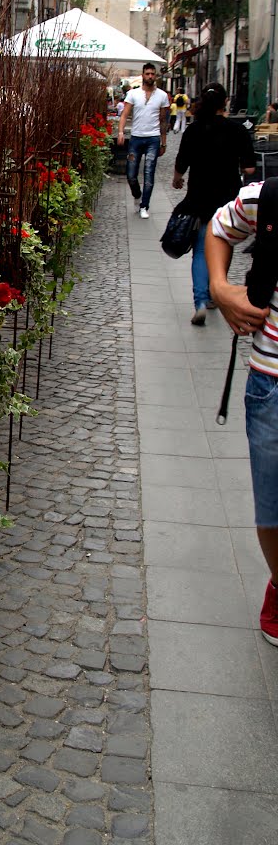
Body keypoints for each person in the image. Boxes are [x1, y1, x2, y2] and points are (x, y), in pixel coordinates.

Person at [206, 186, 278, 645]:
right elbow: (218, 228)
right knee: (272, 508)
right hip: (273, 378)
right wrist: (219, 287)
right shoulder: (268, 198)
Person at [172, 83, 256, 325]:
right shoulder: (237, 130)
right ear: (225, 102)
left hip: (199, 197)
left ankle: (200, 300)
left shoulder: (194, 129)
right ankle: (213, 293)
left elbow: (181, 164)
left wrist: (177, 180)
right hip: (227, 199)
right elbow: (250, 167)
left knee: (200, 249)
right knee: (222, 245)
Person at [117, 62, 170, 218]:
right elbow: (125, 114)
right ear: (143, 75)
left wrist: (163, 141)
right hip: (136, 138)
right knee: (131, 174)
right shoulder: (133, 94)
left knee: (149, 174)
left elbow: (163, 120)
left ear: (156, 76)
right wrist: (121, 132)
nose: (150, 76)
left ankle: (144, 206)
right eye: (147, 73)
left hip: (153, 139)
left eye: (152, 74)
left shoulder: (162, 95)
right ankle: (137, 195)